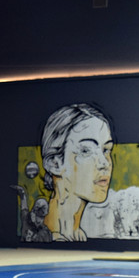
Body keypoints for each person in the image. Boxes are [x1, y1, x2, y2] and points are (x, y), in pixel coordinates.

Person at [39, 103, 114, 242]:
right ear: (55, 163)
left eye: (106, 150)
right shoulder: (42, 234)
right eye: (86, 150)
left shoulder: (78, 236)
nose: (104, 163)